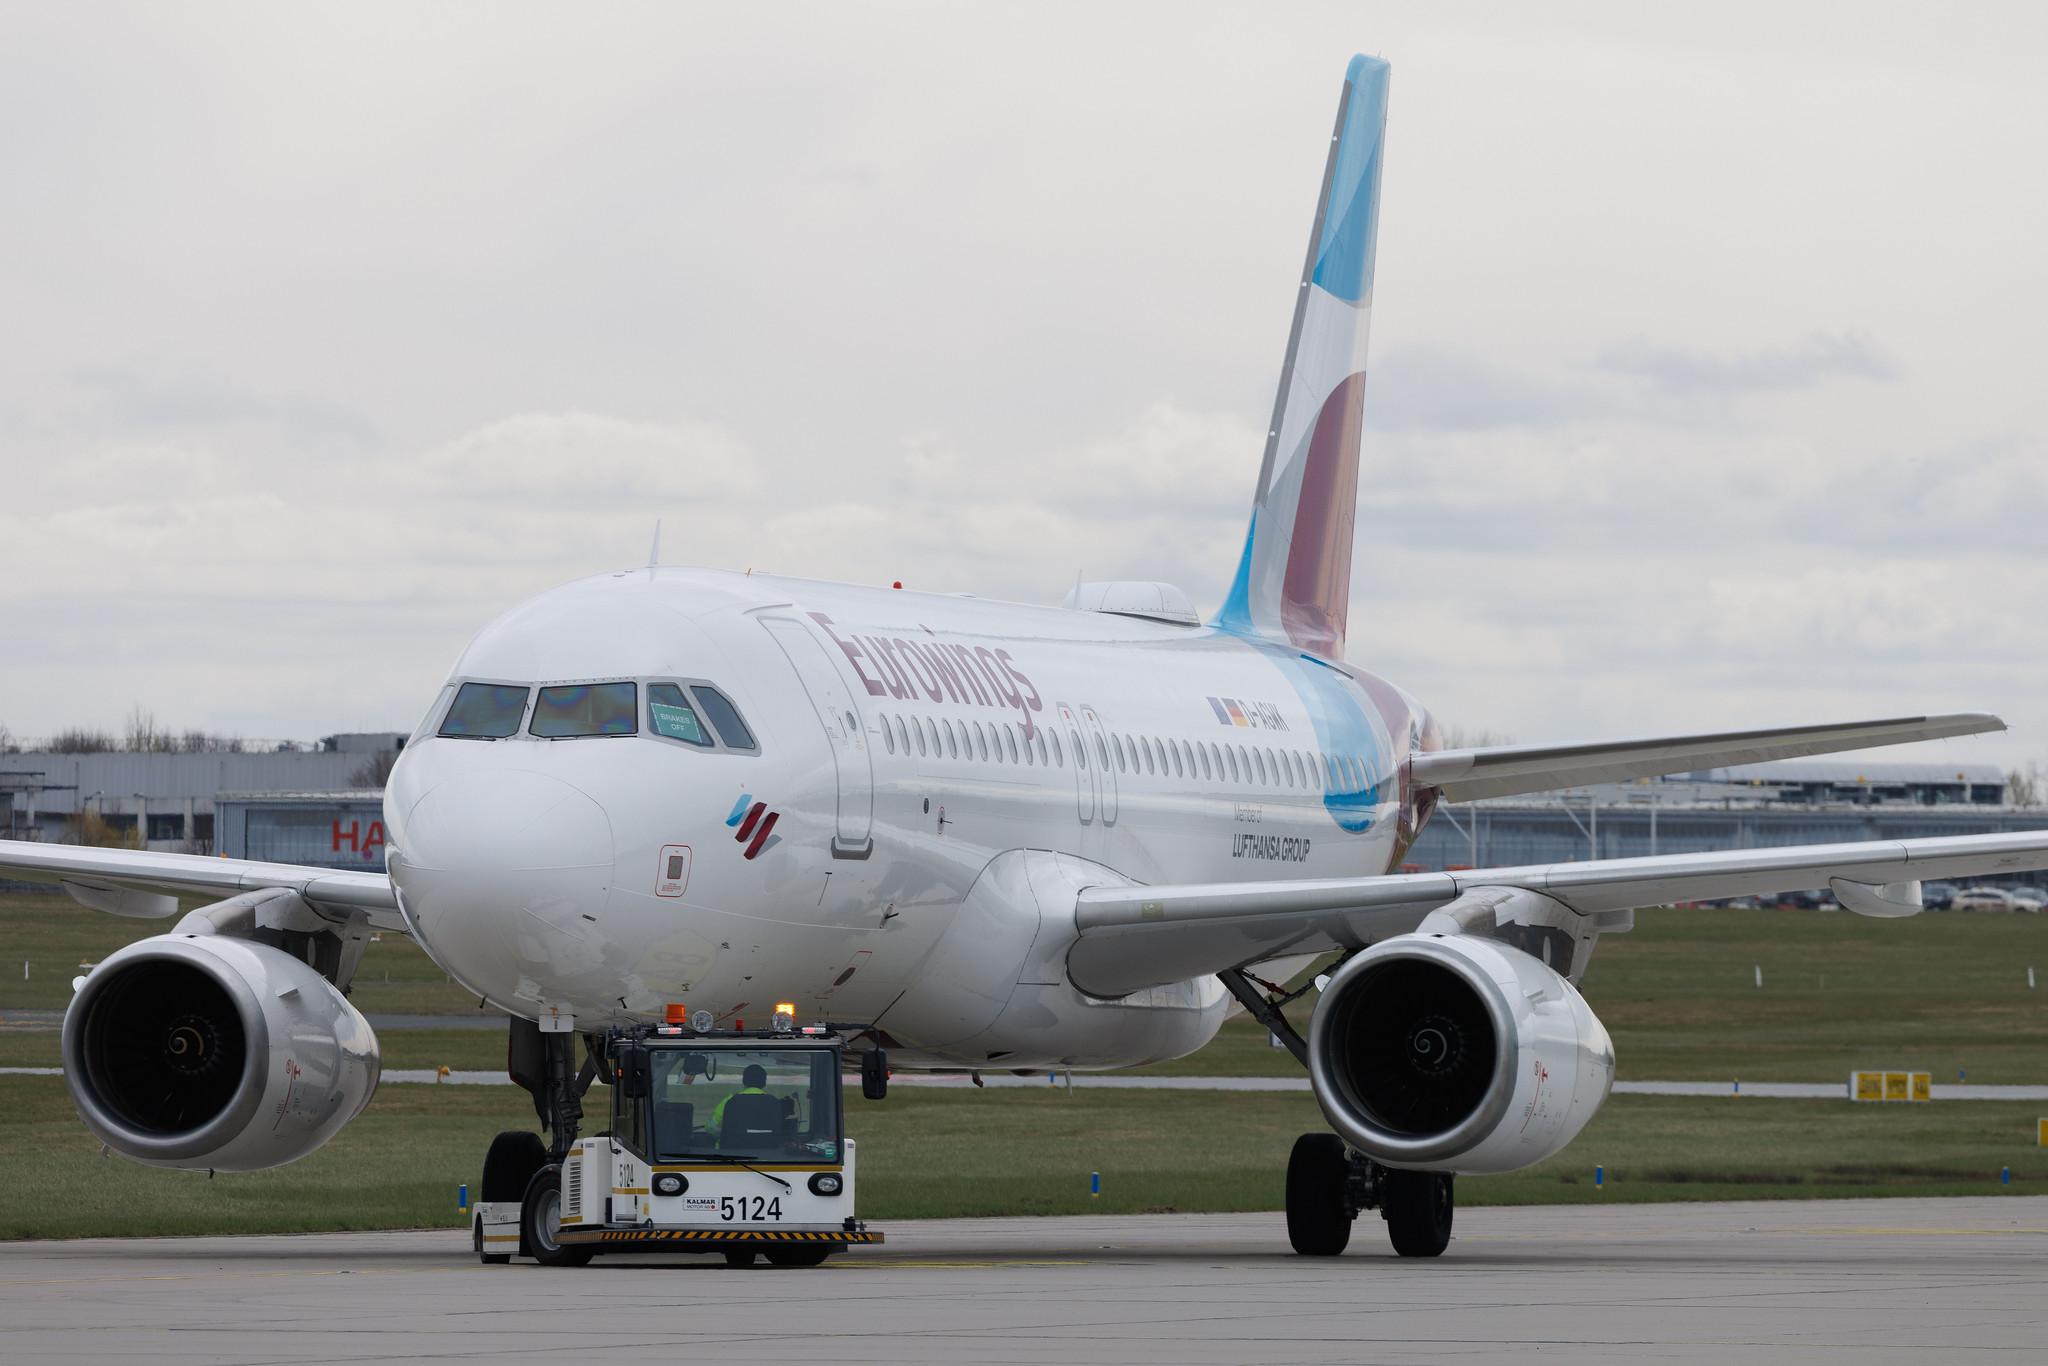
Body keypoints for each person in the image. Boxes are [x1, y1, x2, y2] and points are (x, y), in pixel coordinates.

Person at [709, 1063, 771, 1141]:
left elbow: (711, 1127)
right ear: (764, 1082)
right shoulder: (774, 1103)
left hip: (730, 1151)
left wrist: (726, 1135)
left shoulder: (730, 1100)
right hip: (766, 1151)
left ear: (744, 1080)